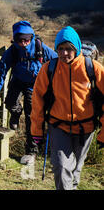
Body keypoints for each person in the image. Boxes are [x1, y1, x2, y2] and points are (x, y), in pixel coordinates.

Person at [31, 26, 104, 190]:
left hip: (86, 128)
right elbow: (37, 102)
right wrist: (36, 131)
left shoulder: (92, 68)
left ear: (76, 47)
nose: (64, 53)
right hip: (58, 126)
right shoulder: (49, 69)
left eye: (69, 49)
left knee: (76, 170)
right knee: (62, 167)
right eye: (60, 49)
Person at [0, 20, 57, 164]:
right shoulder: (12, 52)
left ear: (31, 37)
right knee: (10, 103)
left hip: (35, 84)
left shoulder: (40, 47)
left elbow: (58, 61)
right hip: (17, 81)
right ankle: (15, 114)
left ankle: (31, 152)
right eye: (20, 40)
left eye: (27, 39)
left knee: (31, 116)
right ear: (15, 39)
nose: (24, 43)